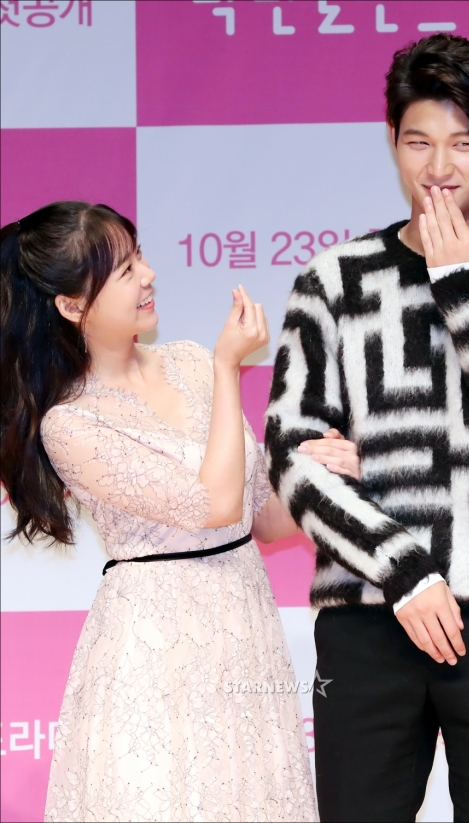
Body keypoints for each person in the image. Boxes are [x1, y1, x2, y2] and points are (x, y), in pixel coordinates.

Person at [265, 33, 469, 823]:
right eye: (418, 141)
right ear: (391, 140)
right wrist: (405, 569)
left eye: (464, 143)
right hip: (369, 612)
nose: (439, 167)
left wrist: (464, 291)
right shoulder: (334, 282)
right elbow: (294, 461)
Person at [0, 201, 361, 823]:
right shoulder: (72, 423)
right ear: (72, 306)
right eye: (124, 271)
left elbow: (259, 517)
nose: (148, 276)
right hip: (154, 644)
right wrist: (229, 366)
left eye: (139, 256)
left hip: (243, 624)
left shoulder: (190, 362)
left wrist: (314, 474)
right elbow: (213, 506)